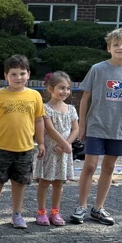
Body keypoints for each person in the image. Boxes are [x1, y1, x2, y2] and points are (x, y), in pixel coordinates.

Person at [70, 28, 122, 226]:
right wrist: (82, 124)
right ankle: (81, 206)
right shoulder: (98, 69)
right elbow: (85, 97)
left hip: (119, 127)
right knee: (90, 165)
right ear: (108, 47)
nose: (120, 48)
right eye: (116, 44)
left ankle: (98, 208)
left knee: (109, 166)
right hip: (96, 125)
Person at [0, 55, 46, 229]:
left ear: (29, 74)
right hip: (0, 147)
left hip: (25, 148)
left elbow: (39, 120)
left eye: (22, 73)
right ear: (6, 76)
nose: (18, 78)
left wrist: (41, 142)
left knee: (20, 182)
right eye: (14, 74)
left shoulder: (35, 96)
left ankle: (17, 214)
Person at [34, 70, 79, 227]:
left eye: (67, 88)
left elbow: (75, 129)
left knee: (59, 182)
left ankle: (55, 211)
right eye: (61, 88)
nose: (65, 91)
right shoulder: (45, 108)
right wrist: (65, 144)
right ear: (50, 89)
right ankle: (41, 211)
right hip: (50, 150)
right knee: (45, 181)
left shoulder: (71, 109)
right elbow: (50, 129)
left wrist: (67, 144)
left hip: (63, 152)